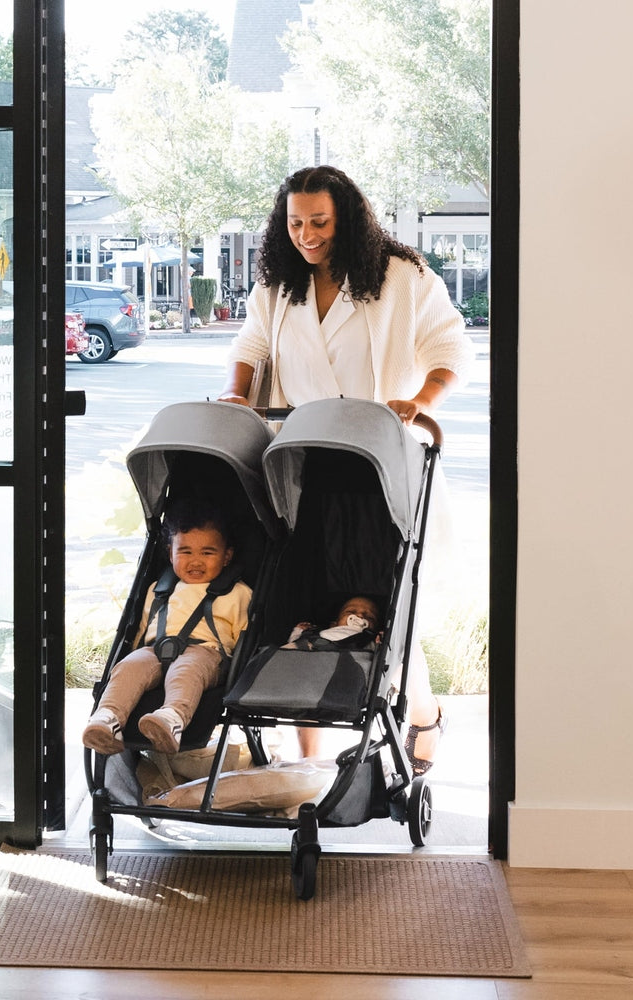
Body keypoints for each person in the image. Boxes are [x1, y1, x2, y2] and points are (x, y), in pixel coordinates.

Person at [218, 165, 472, 775]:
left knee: (387, 604)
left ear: (348, 219)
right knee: (303, 600)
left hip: (376, 462)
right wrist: (235, 394)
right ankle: (306, 764)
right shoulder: (279, 286)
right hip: (300, 463)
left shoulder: (400, 276)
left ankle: (422, 713)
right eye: (295, 223)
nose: (307, 235)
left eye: (320, 222)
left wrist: (420, 402)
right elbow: (251, 348)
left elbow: (450, 349)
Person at [82, 498, 252, 756]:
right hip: (155, 649)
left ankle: (172, 718)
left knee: (186, 669)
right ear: (170, 553)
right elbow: (143, 629)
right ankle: (107, 718)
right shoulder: (158, 589)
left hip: (207, 654)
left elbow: (244, 636)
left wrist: (237, 670)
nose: (196, 561)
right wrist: (137, 652)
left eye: (207, 553)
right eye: (185, 552)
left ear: (226, 556)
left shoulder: (237, 593)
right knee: (128, 667)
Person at [285, 595, 381, 650]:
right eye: (351, 612)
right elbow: (295, 643)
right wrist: (298, 631)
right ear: (334, 625)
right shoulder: (320, 633)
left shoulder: (371, 640)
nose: (360, 616)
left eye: (370, 617)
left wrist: (380, 641)